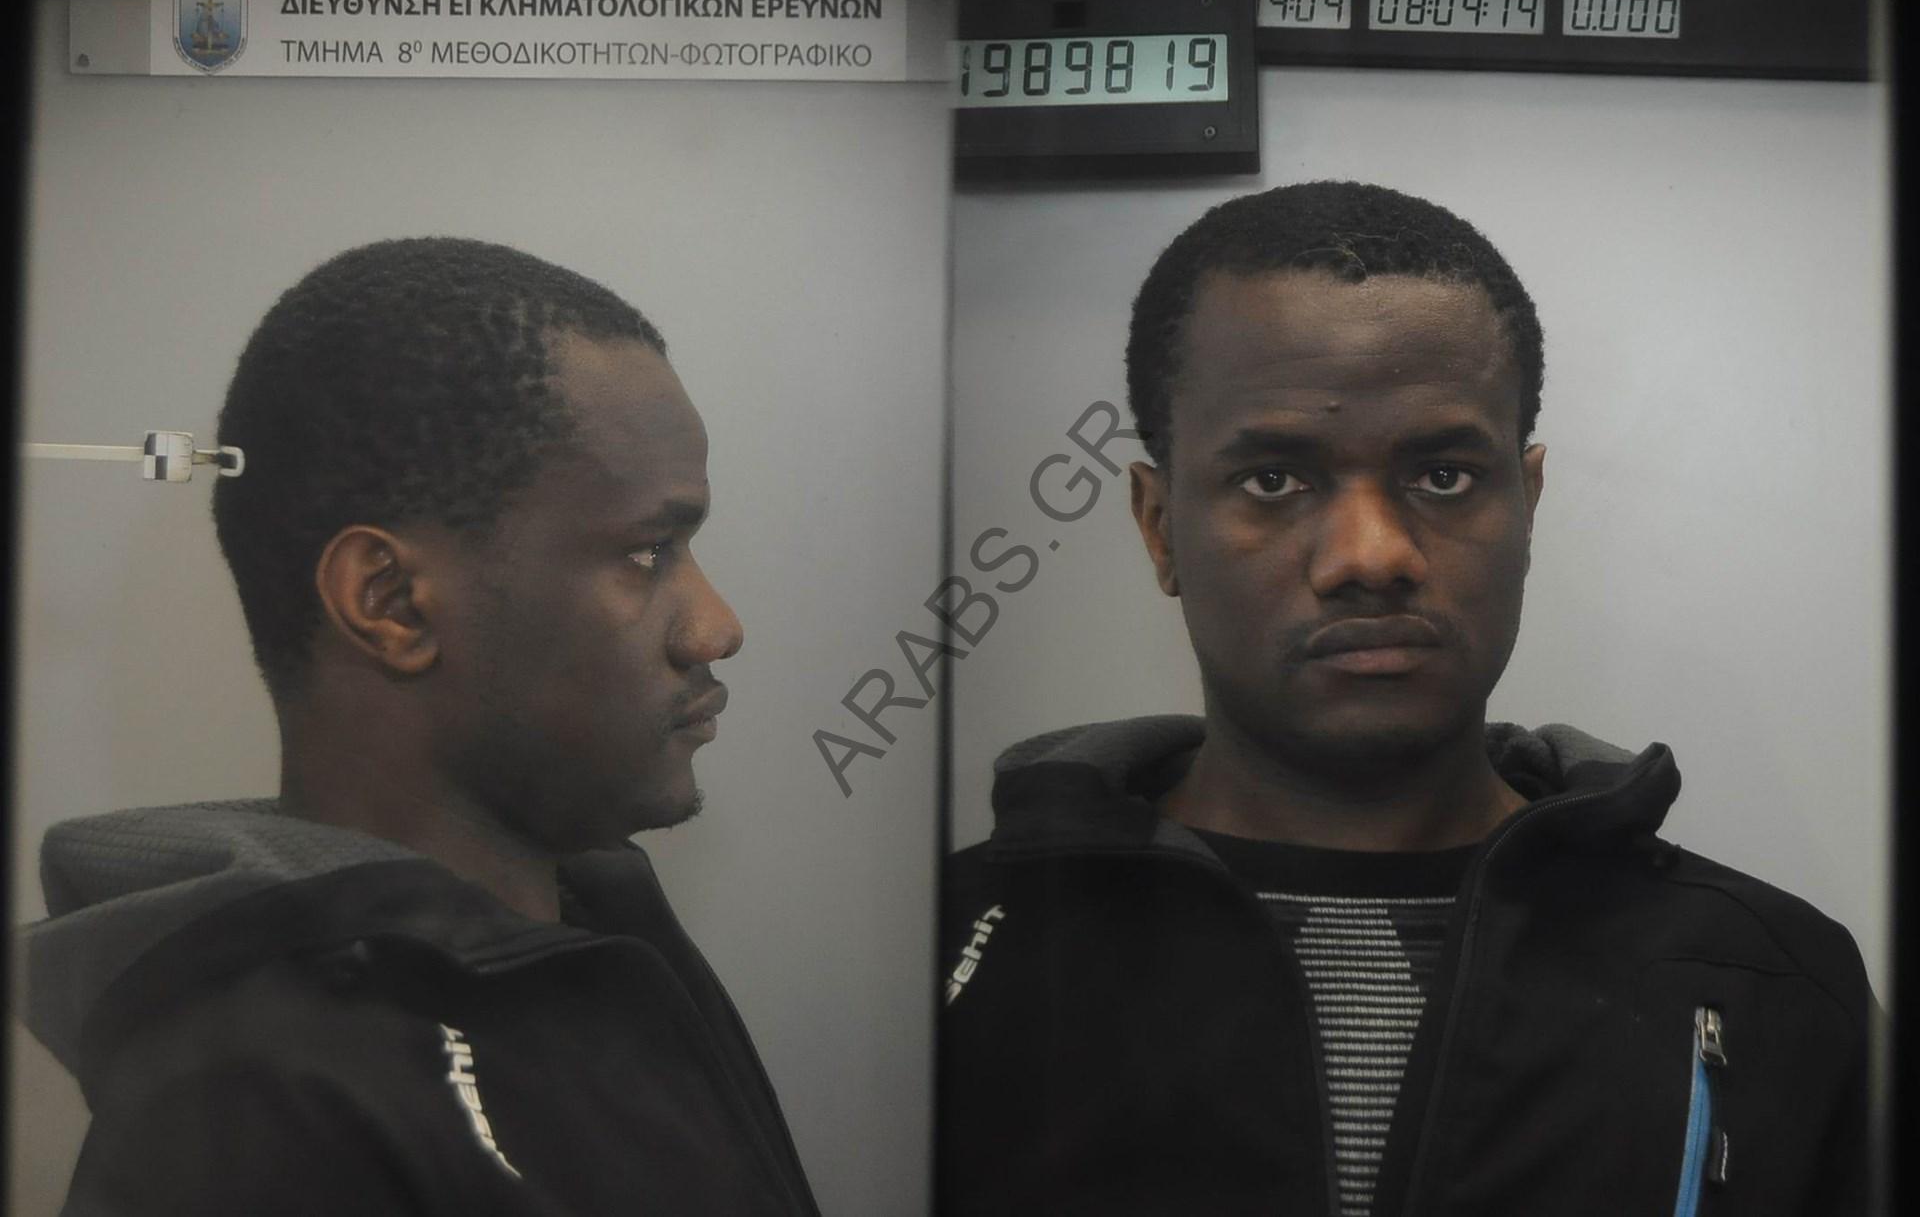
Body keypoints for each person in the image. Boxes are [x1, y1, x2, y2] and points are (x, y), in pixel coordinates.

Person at [936, 182, 1871, 1216]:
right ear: (1159, 526)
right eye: (1274, 480)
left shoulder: (1773, 983)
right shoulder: (943, 959)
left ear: (1528, 505)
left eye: (1444, 476)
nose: (1371, 556)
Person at [22, 239, 821, 1216]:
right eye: (649, 552)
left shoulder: (609, 929)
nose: (716, 627)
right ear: (392, 602)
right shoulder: (252, 1123)